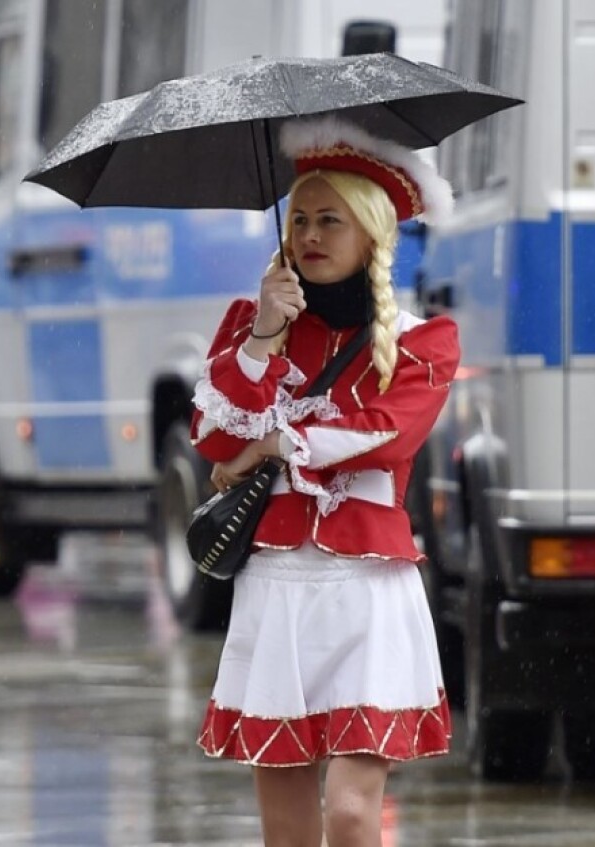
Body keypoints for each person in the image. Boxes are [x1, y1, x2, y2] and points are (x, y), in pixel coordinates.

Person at [191, 117, 458, 847]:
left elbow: (384, 432)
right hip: (275, 587)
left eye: (329, 220)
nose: (309, 233)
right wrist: (262, 339)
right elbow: (212, 437)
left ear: (370, 232)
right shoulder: (253, 322)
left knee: (347, 812)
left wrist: (277, 439)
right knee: (286, 826)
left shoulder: (421, 340)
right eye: (300, 218)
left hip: (367, 593)